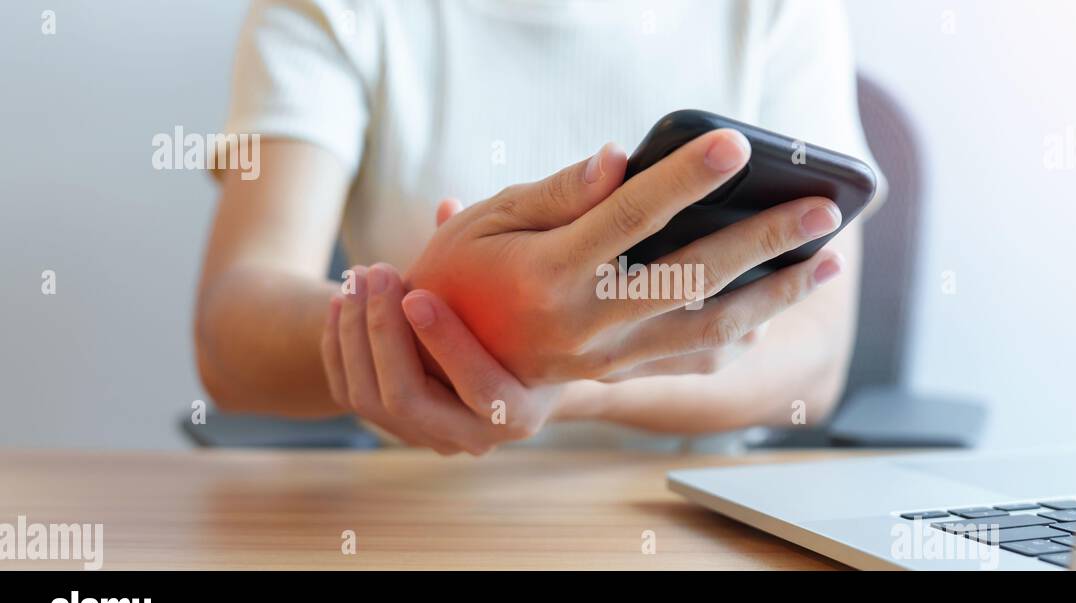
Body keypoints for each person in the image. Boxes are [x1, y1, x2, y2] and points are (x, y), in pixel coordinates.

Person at [194, 0, 883, 455]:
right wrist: (434, 333)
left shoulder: (779, 11)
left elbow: (814, 359)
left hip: (695, 521)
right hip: (415, 520)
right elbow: (233, 330)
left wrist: (558, 377)